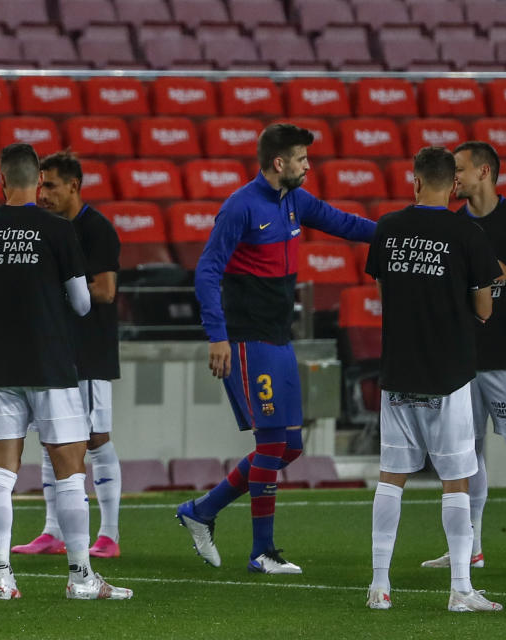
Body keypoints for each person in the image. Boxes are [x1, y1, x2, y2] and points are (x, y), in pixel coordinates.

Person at [176, 124, 376, 574]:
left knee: (290, 446)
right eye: (302, 159)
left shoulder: (294, 201)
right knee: (271, 445)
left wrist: (396, 234)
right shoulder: (240, 207)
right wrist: (217, 336)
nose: (308, 166)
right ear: (280, 163)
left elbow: (343, 223)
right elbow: (207, 272)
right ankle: (261, 553)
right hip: (248, 342)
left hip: (279, 340)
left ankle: (202, 510)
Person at [0, 143, 131, 601]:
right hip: (52, 365)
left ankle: (1, 577)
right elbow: (81, 302)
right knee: (71, 471)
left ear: (0, 180)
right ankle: (80, 577)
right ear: (37, 181)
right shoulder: (57, 231)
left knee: (1, 472)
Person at [364, 146, 502, 612]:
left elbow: (384, 290)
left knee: (391, 479)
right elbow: (484, 307)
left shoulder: (387, 229)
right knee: (456, 480)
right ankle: (460, 589)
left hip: (398, 371)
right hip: (450, 373)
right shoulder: (469, 233)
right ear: (454, 186)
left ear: (415, 181)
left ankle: (380, 586)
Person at [421, 141, 506, 573]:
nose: (452, 177)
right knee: (467, 451)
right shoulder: (453, 225)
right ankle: (471, 549)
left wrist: (497, 271)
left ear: (484, 172)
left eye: (459, 169)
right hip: (462, 359)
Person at [11, 151, 123, 559]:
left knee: (95, 439)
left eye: (51, 186)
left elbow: (106, 291)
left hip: (89, 351)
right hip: (54, 351)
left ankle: (109, 535)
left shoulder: (96, 229)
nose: (43, 194)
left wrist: (52, 293)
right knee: (52, 439)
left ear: (74, 186)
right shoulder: (47, 230)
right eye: (40, 186)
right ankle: (52, 532)